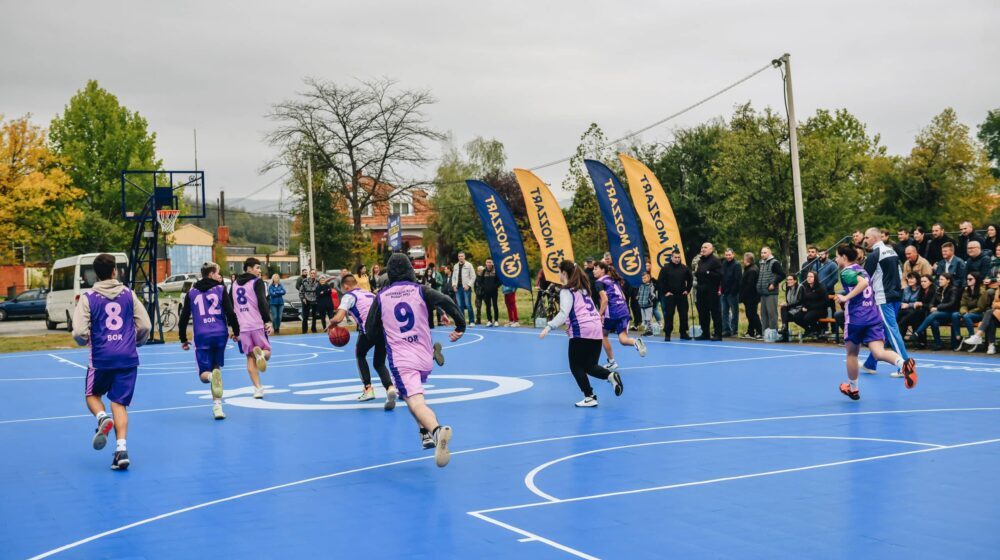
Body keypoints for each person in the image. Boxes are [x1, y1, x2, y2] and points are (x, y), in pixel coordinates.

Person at [364, 253, 466, 467]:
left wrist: (385, 330)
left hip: (402, 358)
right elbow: (446, 301)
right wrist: (460, 325)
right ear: (410, 270)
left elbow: (370, 331)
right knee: (412, 394)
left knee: (414, 401)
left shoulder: (382, 297)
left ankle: (436, 431)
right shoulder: (421, 290)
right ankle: (424, 433)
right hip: (423, 355)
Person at [72, 253, 152, 470]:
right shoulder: (128, 294)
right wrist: (136, 342)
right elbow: (145, 325)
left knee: (92, 395)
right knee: (119, 403)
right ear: (115, 271)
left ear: (95, 275)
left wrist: (84, 341)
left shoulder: (88, 297)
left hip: (101, 357)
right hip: (127, 357)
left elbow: (79, 331)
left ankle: (101, 418)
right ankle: (121, 451)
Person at [835, 244, 917, 401]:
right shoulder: (863, 270)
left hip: (856, 317)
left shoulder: (846, 272)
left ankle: (853, 389)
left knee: (852, 354)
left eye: (837, 256)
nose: (836, 259)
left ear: (844, 257)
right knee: (879, 352)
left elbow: (863, 284)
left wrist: (846, 297)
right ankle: (903, 364)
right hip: (873, 315)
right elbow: (865, 283)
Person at [540, 260, 623, 407]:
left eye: (559, 272)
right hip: (596, 327)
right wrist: (570, 325)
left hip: (582, 329)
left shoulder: (567, 291)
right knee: (590, 366)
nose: (558, 274)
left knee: (575, 365)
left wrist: (549, 326)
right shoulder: (583, 289)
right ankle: (610, 375)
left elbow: (564, 312)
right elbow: (580, 309)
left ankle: (589, 396)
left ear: (564, 273)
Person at [179, 261, 240, 420]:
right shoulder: (220, 289)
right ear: (211, 274)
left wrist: (183, 338)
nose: (220, 276)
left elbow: (184, 318)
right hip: (220, 334)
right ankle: (218, 407)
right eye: (218, 272)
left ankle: (212, 378)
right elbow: (230, 313)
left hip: (202, 335)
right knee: (216, 367)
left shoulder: (192, 293)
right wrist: (236, 332)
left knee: (203, 375)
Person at [327, 273, 397, 408]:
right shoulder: (369, 293)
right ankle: (390, 388)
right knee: (379, 363)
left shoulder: (348, 296)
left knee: (360, 354)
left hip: (370, 329)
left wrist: (331, 322)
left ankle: (368, 389)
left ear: (345, 286)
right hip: (385, 328)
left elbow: (339, 317)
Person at [860, 227, 910, 378]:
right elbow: (900, 273)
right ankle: (870, 363)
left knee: (891, 330)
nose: (865, 240)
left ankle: (906, 366)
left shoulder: (874, 255)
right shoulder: (892, 251)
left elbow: (865, 279)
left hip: (884, 297)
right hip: (896, 295)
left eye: (867, 237)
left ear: (874, 238)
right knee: (883, 331)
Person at [232, 257, 274, 399]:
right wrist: (268, 320)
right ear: (249, 268)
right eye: (257, 267)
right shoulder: (257, 282)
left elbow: (231, 308)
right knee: (267, 352)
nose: (259, 270)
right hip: (256, 324)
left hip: (243, 327)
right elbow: (262, 301)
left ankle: (258, 389)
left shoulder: (234, 284)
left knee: (250, 358)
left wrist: (234, 329)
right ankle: (261, 354)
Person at [594, 261, 647, 370]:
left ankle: (612, 362)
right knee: (623, 339)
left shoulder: (599, 282)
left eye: (596, 268)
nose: (593, 271)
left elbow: (605, 300)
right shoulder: (613, 280)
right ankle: (636, 342)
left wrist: (599, 314)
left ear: (603, 270)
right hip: (624, 310)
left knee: (603, 335)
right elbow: (623, 296)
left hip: (612, 312)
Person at [908, 273, 960, 351]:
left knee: (934, 314)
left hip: (951, 313)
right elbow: (932, 303)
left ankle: (917, 332)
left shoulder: (953, 289)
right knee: (934, 322)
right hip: (941, 314)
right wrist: (931, 307)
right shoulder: (939, 290)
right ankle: (938, 344)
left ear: (948, 281)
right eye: (939, 279)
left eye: (942, 279)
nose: (939, 281)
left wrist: (937, 308)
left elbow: (952, 303)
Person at [657, 251, 692, 342]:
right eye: (675, 257)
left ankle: (683, 333)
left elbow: (690, 279)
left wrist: (687, 290)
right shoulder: (665, 268)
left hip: (682, 295)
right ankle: (667, 334)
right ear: (671, 257)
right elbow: (660, 281)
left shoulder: (684, 268)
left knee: (683, 315)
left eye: (678, 257)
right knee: (669, 315)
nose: (677, 259)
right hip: (670, 296)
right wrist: (665, 292)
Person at [694, 242, 723, 341]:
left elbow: (720, 275)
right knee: (703, 312)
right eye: (702, 247)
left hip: (711, 290)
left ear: (711, 249)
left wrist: (708, 272)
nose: (703, 249)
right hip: (701, 289)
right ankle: (705, 333)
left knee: (715, 312)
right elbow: (698, 273)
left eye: (705, 247)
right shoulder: (700, 261)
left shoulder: (715, 261)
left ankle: (718, 334)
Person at [961, 282, 1000, 354]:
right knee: (991, 319)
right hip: (997, 315)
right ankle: (991, 345)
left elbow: (995, 305)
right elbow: (993, 304)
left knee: (989, 312)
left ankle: (977, 336)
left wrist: (997, 306)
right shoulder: (998, 290)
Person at [953, 272, 988, 349]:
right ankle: (958, 337)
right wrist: (964, 312)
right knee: (955, 315)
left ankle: (972, 337)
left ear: (976, 280)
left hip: (980, 313)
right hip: (968, 313)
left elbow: (981, 307)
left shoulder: (982, 291)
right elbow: (963, 304)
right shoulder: (966, 290)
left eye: (970, 279)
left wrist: (967, 313)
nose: (968, 281)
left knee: (967, 316)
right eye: (967, 279)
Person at [898, 275, 936, 345]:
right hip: (919, 311)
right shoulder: (922, 289)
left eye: (925, 281)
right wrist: (917, 304)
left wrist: (921, 304)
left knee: (905, 319)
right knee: (902, 315)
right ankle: (919, 342)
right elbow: (917, 301)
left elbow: (931, 305)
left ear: (930, 282)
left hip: (929, 312)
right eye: (922, 281)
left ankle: (900, 340)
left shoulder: (934, 290)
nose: (923, 283)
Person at [757, 246, 783, 334]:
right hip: (763, 293)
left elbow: (782, 274)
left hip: (771, 293)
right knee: (763, 315)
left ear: (770, 253)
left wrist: (774, 284)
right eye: (762, 253)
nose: (763, 254)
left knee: (772, 314)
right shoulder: (761, 263)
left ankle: (773, 334)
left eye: (765, 253)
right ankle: (765, 334)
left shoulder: (774, 262)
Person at [795, 271, 828, 337]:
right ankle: (808, 330)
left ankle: (818, 330)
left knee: (807, 317)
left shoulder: (821, 288)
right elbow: (804, 299)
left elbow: (825, 302)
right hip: (808, 309)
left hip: (820, 309)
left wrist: (809, 307)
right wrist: (803, 307)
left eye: (811, 277)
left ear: (815, 278)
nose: (809, 278)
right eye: (808, 276)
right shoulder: (806, 287)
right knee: (796, 317)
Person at [739, 252, 763, 339]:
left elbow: (750, 285)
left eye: (744, 259)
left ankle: (760, 331)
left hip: (751, 297)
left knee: (752, 314)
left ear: (747, 260)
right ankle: (750, 331)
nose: (743, 261)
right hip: (750, 296)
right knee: (750, 314)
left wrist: (743, 295)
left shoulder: (752, 270)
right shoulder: (749, 269)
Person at [720, 248, 742, 337]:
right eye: (726, 255)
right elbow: (722, 277)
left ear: (733, 255)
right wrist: (722, 289)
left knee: (734, 312)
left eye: (729, 255)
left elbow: (738, 280)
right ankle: (726, 330)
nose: (728, 256)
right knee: (724, 312)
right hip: (724, 292)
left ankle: (734, 330)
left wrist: (733, 291)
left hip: (733, 293)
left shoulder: (737, 265)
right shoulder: (723, 264)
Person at [451, 251, 476, 325]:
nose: (460, 257)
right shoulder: (455, 266)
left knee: (468, 305)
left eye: (462, 256)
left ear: (464, 257)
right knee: (459, 306)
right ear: (458, 257)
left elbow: (473, 276)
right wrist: (454, 285)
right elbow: (453, 277)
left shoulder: (469, 265)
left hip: (466, 288)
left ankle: (472, 321)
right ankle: (462, 322)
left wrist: (468, 285)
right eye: (459, 256)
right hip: (458, 288)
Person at [778, 275, 803, 342]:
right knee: (783, 309)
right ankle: (784, 328)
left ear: (795, 281)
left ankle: (784, 332)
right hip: (792, 309)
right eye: (787, 280)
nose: (788, 281)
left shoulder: (800, 287)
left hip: (800, 309)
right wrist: (785, 304)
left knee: (785, 312)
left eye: (790, 279)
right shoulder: (788, 288)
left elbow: (799, 301)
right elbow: (788, 301)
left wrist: (787, 305)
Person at [480, 258, 501, 327]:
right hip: (486, 292)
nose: (488, 264)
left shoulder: (496, 270)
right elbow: (481, 281)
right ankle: (489, 320)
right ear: (485, 263)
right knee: (488, 306)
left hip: (494, 291)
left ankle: (496, 320)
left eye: (490, 262)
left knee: (495, 305)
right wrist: (484, 287)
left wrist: (495, 287)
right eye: (487, 262)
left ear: (492, 263)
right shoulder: (484, 271)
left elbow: (500, 281)